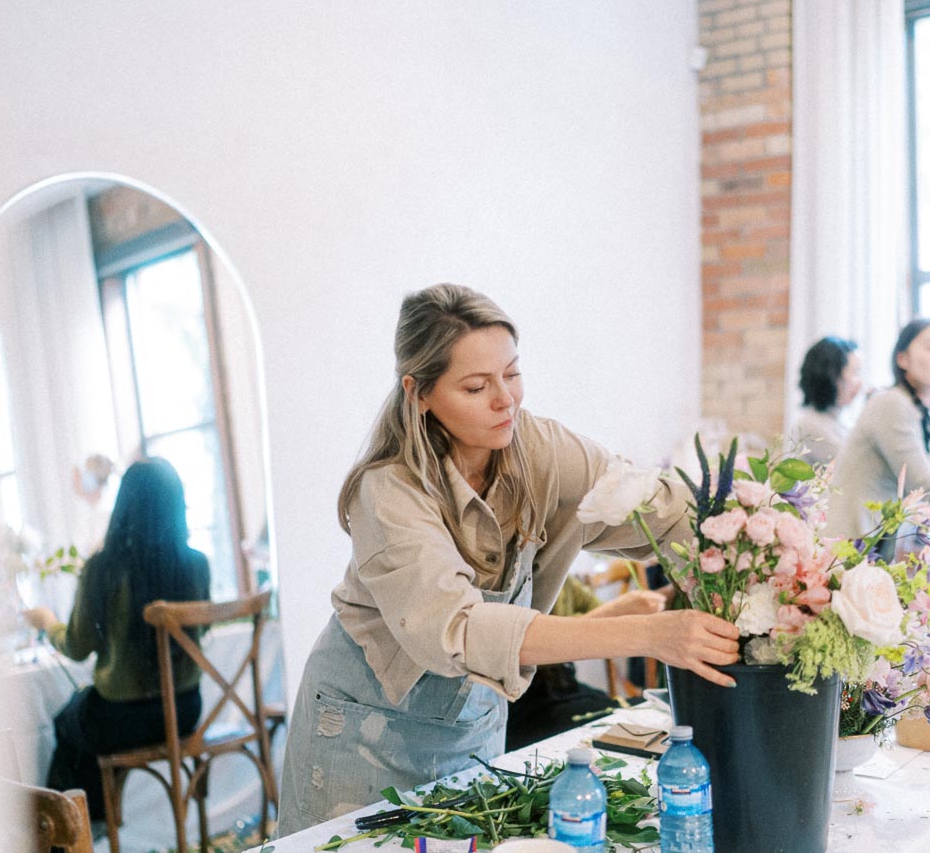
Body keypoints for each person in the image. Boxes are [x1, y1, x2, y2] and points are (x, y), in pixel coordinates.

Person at [276, 283, 739, 835]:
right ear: (418, 393)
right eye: (476, 386)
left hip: (471, 725)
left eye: (512, 374)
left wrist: (757, 540)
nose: (506, 400)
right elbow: (461, 630)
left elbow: (657, 506)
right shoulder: (387, 492)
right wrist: (651, 633)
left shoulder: (540, 448)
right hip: (362, 732)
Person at [23, 458, 211, 820]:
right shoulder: (196, 565)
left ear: (124, 505)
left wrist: (48, 623)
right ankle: (87, 831)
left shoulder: (103, 568)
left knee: (69, 725)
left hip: (121, 722)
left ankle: (72, 836)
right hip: (186, 710)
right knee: (82, 721)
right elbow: (200, 631)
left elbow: (76, 648)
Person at [828, 318, 930, 541]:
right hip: (848, 548)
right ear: (902, 358)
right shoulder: (891, 404)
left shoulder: (925, 414)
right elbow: (923, 487)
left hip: (876, 547)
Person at [504, 575, 669, 751]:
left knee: (642, 712)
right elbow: (513, 650)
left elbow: (601, 616)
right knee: (612, 725)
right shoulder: (509, 581)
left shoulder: (562, 576)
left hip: (565, 686)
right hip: (523, 702)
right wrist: (614, 611)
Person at [793, 336, 863, 467]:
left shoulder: (843, 420)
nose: (859, 382)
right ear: (831, 377)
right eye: (855, 372)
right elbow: (858, 465)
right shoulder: (809, 426)